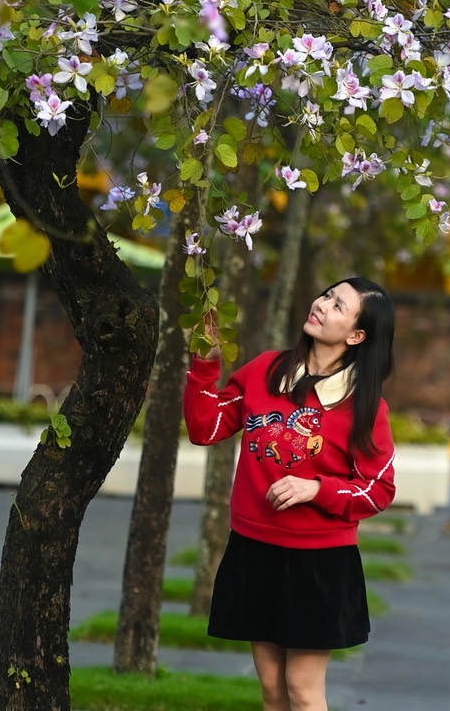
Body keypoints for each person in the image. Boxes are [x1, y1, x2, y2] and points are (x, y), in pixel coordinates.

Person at [183, 276, 396, 711]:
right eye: (327, 295)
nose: (322, 305)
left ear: (357, 336)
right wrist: (205, 360)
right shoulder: (264, 370)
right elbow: (205, 429)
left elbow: (379, 490)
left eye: (339, 306)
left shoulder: (364, 404)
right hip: (254, 549)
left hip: (318, 563)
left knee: (301, 690)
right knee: (272, 691)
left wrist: (316, 489)